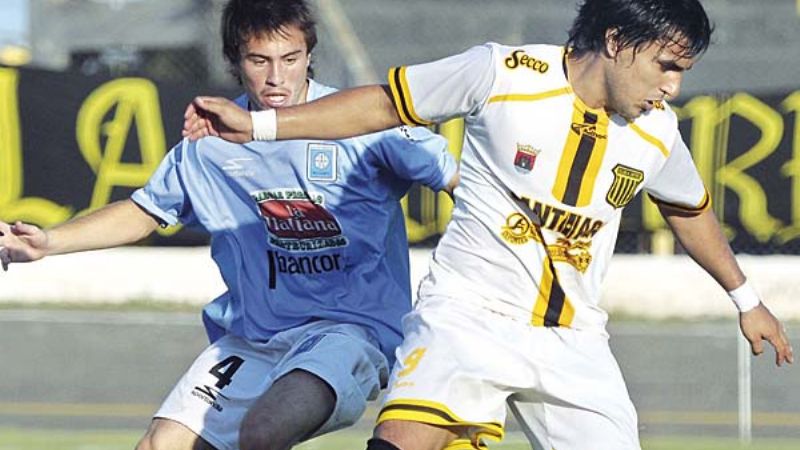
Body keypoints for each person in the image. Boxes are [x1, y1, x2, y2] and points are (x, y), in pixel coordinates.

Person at [181, 0, 795, 449]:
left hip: (574, 343)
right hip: (466, 318)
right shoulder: (502, 74)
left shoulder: (657, 131)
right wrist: (260, 127)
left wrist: (746, 299)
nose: (673, 86)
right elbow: (381, 105)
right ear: (616, 41)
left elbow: (689, 210)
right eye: (665, 65)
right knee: (400, 442)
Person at [0, 1, 457, 449]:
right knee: (161, 444)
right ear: (236, 62)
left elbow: (460, 181)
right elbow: (146, 212)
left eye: (290, 59)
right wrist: (48, 242)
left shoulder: (358, 121)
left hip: (350, 332)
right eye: (260, 60)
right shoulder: (211, 143)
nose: (277, 77)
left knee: (263, 432)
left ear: (309, 56)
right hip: (256, 338)